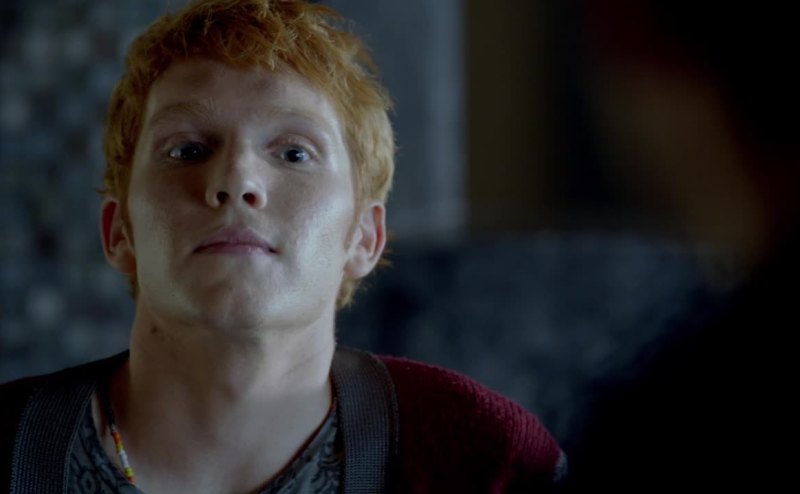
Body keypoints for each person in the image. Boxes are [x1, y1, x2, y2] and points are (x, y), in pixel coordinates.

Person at [0, 1, 564, 492]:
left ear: (363, 237)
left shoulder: (484, 461)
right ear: (119, 232)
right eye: (187, 151)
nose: (236, 180)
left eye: (294, 154)